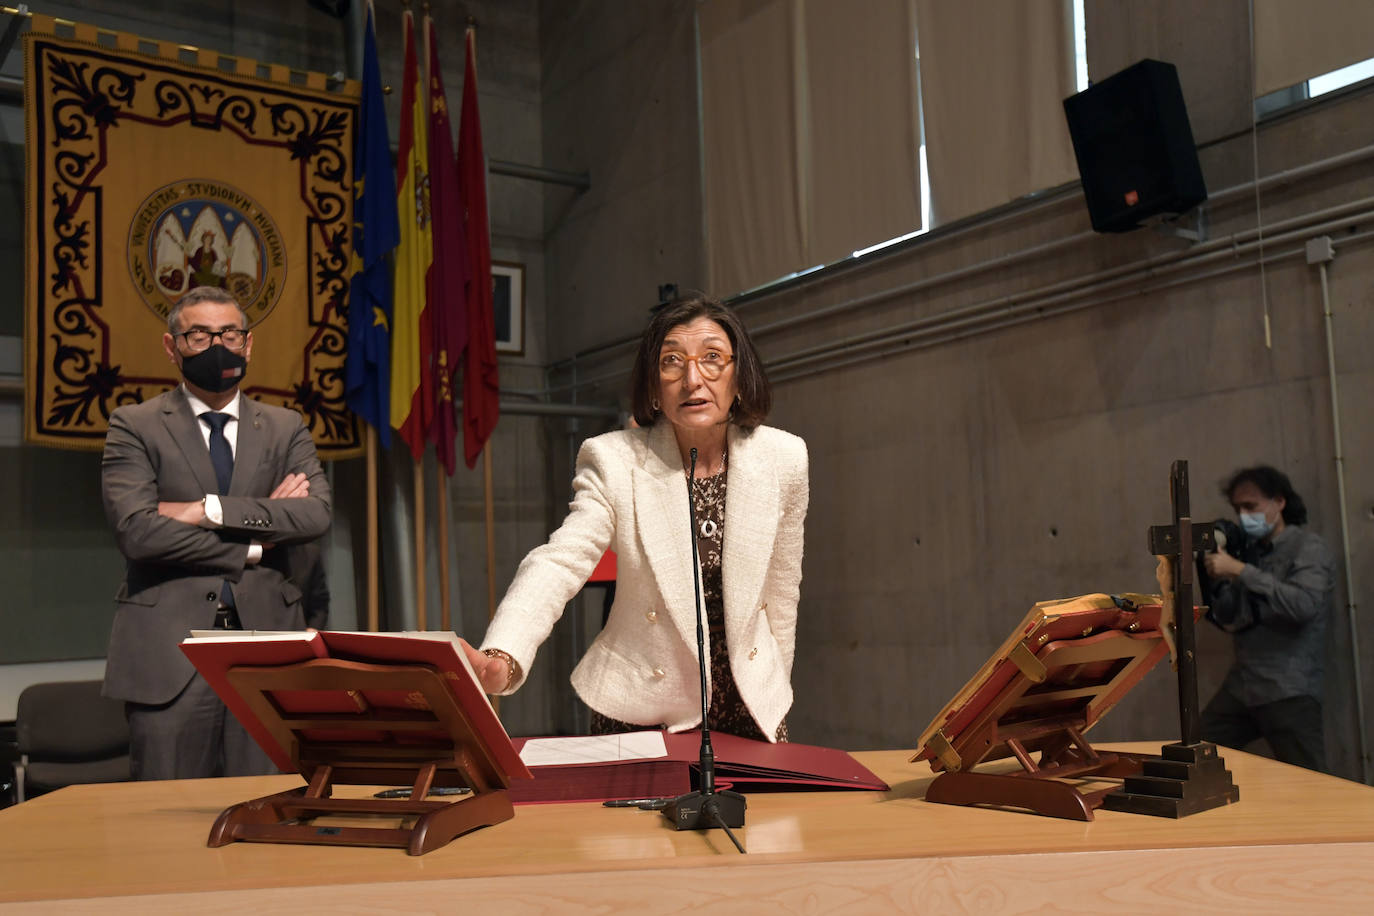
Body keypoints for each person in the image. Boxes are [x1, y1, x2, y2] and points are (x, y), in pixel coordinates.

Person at [464, 294, 809, 742]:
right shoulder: (614, 460)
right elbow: (561, 560)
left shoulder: (784, 458)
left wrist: (774, 686)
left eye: (712, 358)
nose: (692, 379)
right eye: (672, 362)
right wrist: (505, 652)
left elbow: (782, 589)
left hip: (751, 703)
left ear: (740, 376)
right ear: (654, 388)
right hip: (642, 703)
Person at [100, 285, 332, 779]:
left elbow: (314, 516)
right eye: (200, 336)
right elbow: (138, 532)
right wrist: (255, 543)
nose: (218, 347)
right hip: (169, 656)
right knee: (167, 812)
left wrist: (206, 509)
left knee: (267, 805)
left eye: (229, 334)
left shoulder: (285, 427)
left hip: (269, 651)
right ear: (172, 347)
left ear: (248, 344)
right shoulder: (134, 424)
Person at [1201, 465, 1336, 772]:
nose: (1244, 516)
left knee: (1311, 781)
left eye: (1251, 506)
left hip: (1288, 688)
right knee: (1197, 750)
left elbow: (1303, 606)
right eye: (1238, 509)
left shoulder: (1308, 548)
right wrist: (1216, 580)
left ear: (1279, 502)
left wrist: (1240, 571)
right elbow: (1229, 615)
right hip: (1244, 685)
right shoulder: (1249, 552)